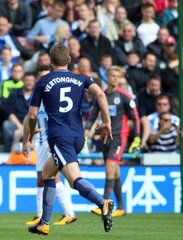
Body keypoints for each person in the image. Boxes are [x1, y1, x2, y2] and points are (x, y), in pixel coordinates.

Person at [23, 44, 114, 235]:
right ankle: (44, 223)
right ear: (69, 60)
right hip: (78, 136)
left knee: (74, 180)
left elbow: (32, 116)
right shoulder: (81, 78)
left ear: (50, 61)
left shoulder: (44, 81)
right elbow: (100, 94)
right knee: (48, 173)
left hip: (59, 137)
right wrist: (107, 122)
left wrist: (31, 132)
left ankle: (102, 202)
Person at [24, 65, 76, 226]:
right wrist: (25, 141)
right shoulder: (39, 95)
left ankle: (69, 213)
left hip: (52, 141)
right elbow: (29, 119)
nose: (44, 79)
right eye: (41, 76)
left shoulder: (56, 97)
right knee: (41, 179)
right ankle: (40, 215)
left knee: (54, 177)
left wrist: (56, 140)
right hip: (41, 143)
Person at [86, 66, 141, 218]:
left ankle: (104, 204)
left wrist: (136, 137)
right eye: (113, 76)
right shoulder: (101, 96)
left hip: (119, 137)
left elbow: (135, 117)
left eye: (118, 76)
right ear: (107, 78)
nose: (115, 78)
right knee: (114, 171)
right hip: (105, 137)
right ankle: (121, 208)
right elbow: (93, 115)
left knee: (110, 167)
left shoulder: (125, 96)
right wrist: (87, 129)